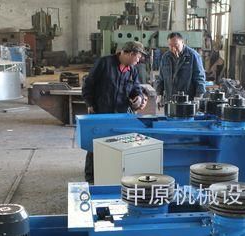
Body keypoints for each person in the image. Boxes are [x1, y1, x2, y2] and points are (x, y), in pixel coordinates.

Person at [81, 41, 148, 182]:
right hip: (101, 112)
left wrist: (138, 97)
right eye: (138, 57)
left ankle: (114, 174)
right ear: (131, 54)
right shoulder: (104, 63)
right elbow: (88, 84)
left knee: (119, 144)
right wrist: (89, 103)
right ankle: (91, 178)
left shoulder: (132, 70)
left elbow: (136, 88)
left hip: (121, 114)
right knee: (96, 144)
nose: (138, 61)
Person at [155, 32, 206, 107]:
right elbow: (161, 78)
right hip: (170, 100)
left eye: (176, 45)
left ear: (182, 42)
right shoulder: (165, 57)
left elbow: (200, 78)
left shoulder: (193, 56)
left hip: (187, 101)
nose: (173, 49)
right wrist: (159, 94)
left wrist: (198, 97)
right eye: (170, 46)